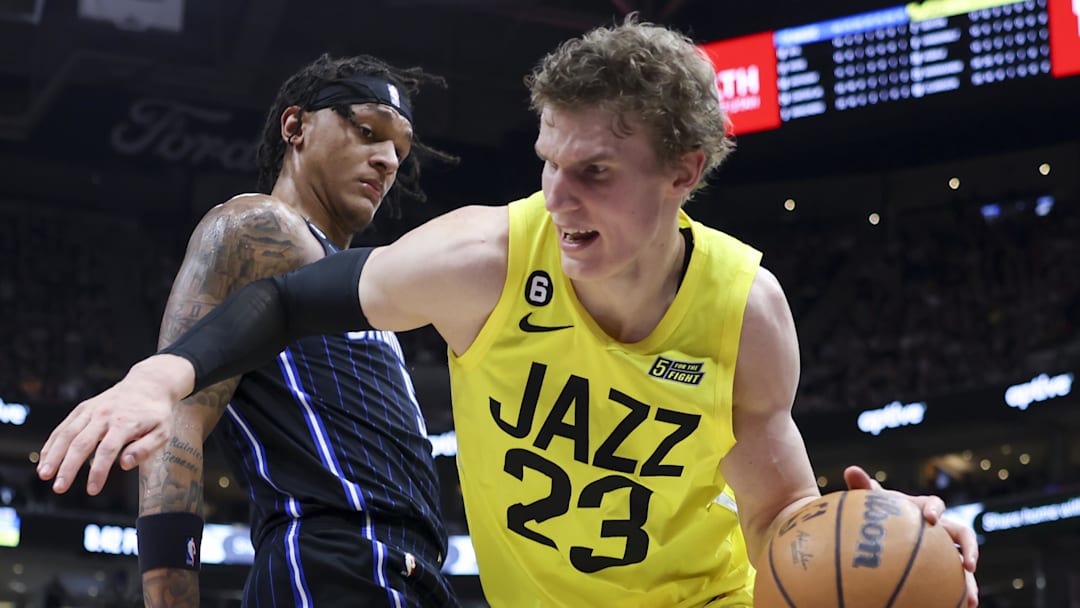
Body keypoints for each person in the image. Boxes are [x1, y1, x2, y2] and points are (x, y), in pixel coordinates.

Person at [38, 17, 979, 608]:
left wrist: (886, 537)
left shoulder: (746, 310)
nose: (559, 199)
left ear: (684, 174)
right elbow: (283, 300)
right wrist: (163, 375)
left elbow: (782, 517)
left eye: (596, 173)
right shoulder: (482, 258)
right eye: (548, 162)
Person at [51, 54, 460, 607]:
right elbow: (176, 415)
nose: (387, 159)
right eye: (367, 131)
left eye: (399, 150)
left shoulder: (356, 282)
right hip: (333, 560)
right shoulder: (256, 227)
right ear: (295, 127)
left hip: (402, 569)